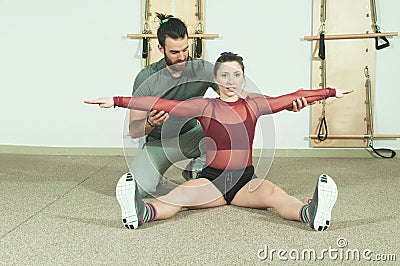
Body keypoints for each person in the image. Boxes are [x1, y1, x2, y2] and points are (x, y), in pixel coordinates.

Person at [85, 52, 353, 231]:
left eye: (236, 75)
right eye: (224, 75)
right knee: (178, 195)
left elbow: (293, 96)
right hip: (211, 180)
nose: (230, 81)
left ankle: (310, 213)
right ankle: (142, 213)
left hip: (245, 182)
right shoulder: (203, 106)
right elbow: (159, 103)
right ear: (215, 79)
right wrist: (117, 101)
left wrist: (328, 92)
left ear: (243, 78)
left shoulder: (254, 105)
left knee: (276, 195)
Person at [125, 13, 309, 197]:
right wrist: (150, 122)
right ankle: (157, 176)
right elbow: (134, 130)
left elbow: (243, 96)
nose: (182, 57)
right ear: (160, 48)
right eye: (174, 52)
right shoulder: (146, 79)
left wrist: (285, 103)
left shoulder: (201, 69)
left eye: (185, 50)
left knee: (226, 127)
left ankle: (195, 173)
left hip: (192, 135)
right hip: (159, 143)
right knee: (139, 190)